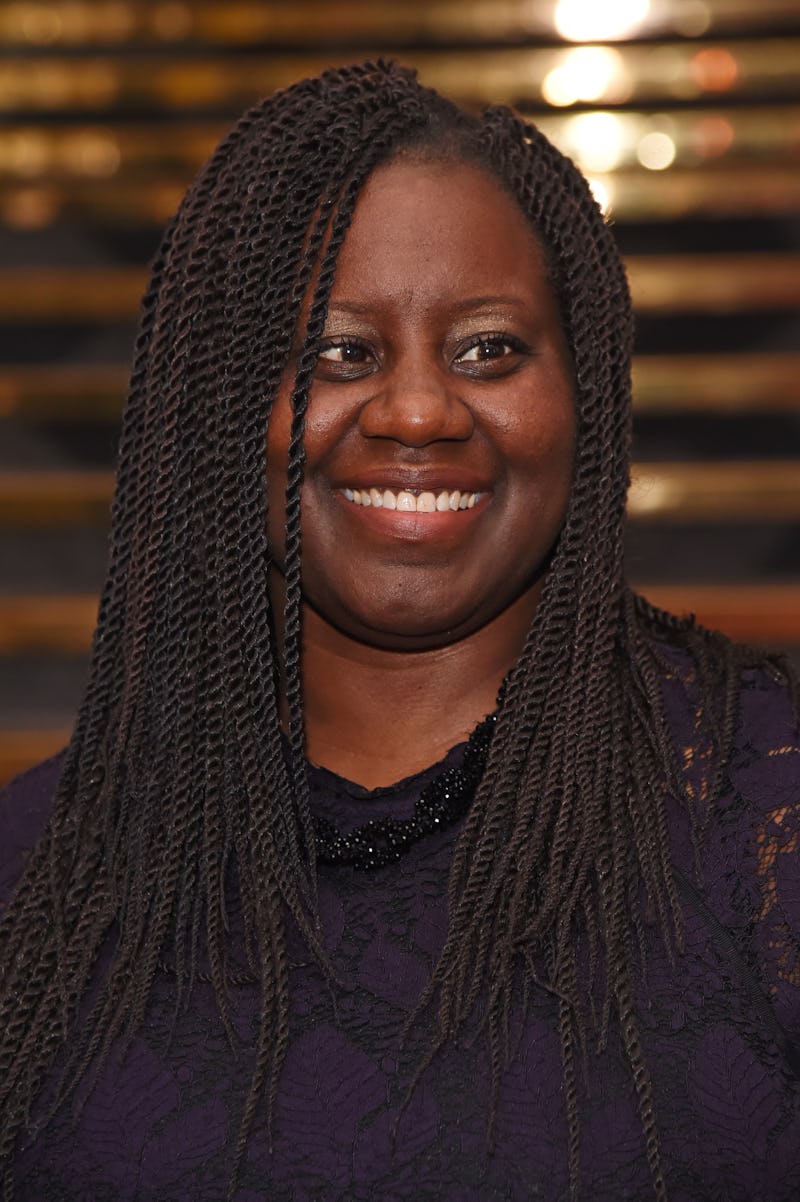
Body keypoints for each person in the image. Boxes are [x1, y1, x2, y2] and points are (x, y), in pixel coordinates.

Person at [1, 60, 798, 1202]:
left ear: (587, 398)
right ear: (221, 406)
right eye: (338, 351)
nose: (418, 409)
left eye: (488, 349)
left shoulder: (758, 814)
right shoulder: (44, 874)